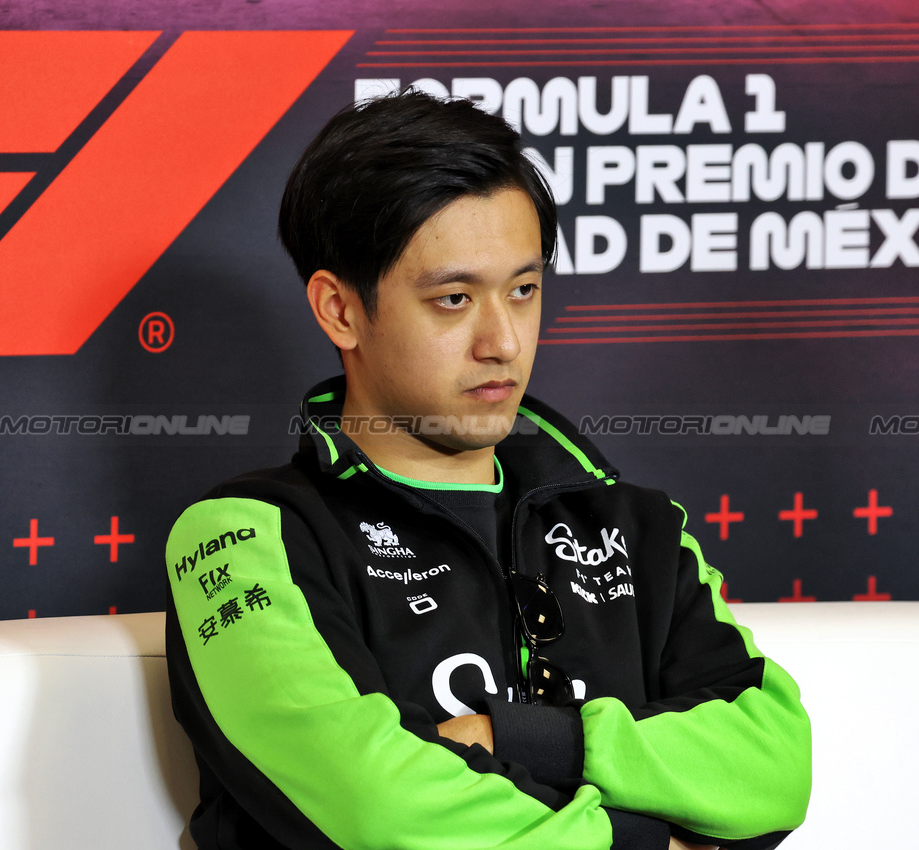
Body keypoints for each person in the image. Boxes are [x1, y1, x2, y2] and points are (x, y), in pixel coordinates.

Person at [164, 90, 811, 850]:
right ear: (340, 311)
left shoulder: (634, 526)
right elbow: (380, 812)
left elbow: (774, 767)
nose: (501, 340)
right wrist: (644, 840)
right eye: (452, 299)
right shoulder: (246, 536)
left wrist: (534, 738)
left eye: (524, 290)